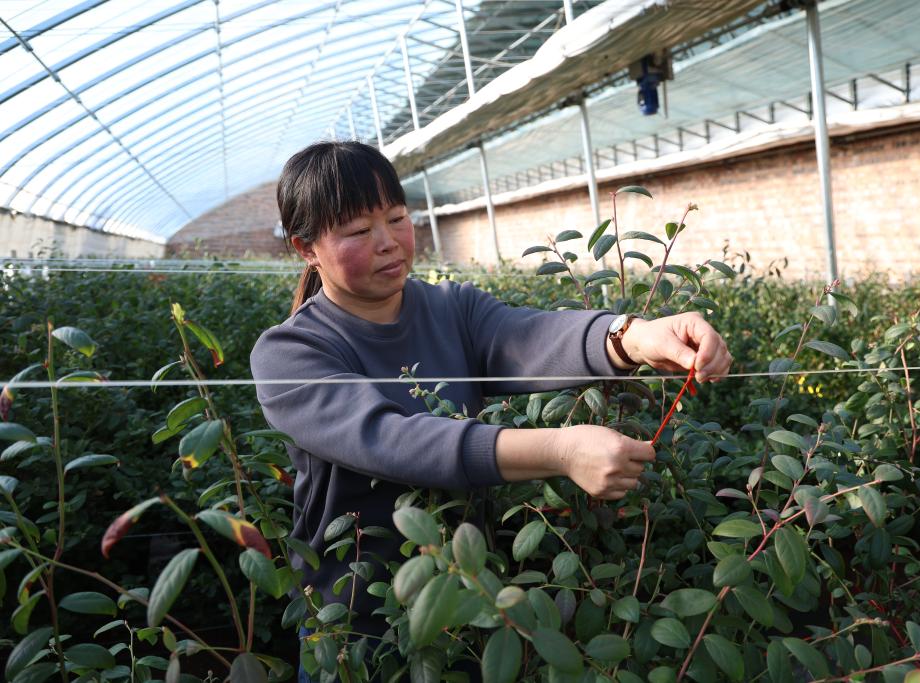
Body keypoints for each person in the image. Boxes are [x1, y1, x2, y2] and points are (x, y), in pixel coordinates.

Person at [249, 140, 732, 679]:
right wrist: (561, 448)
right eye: (359, 231)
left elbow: (527, 336)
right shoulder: (289, 353)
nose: (388, 243)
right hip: (355, 621)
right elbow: (392, 439)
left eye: (397, 218)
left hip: (470, 596)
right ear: (305, 248)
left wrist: (636, 336)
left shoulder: (452, 308)